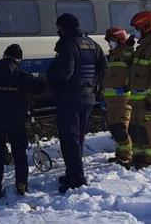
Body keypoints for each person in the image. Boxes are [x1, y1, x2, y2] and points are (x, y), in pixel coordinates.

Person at [0, 44, 44, 198]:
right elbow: (39, 88)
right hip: (16, 122)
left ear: (4, 56)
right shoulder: (22, 75)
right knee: (19, 155)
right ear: (19, 59)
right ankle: (21, 185)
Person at [48, 13, 107, 193]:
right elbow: (104, 68)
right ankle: (73, 173)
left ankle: (76, 180)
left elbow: (64, 72)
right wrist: (97, 88)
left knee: (70, 140)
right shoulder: (93, 44)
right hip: (88, 97)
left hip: (70, 98)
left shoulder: (68, 45)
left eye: (59, 28)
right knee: (78, 139)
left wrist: (51, 81)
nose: (58, 31)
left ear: (65, 27)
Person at [127, 11, 151, 169]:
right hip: (138, 99)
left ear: (146, 27)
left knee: (148, 129)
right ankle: (139, 157)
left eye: (136, 28)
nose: (134, 32)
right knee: (136, 129)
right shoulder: (143, 47)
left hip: (147, 99)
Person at [102, 27, 135, 168]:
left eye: (112, 41)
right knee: (114, 128)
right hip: (111, 100)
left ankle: (127, 156)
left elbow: (134, 71)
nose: (110, 44)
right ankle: (120, 155)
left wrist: (128, 87)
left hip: (122, 98)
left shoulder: (125, 53)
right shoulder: (113, 55)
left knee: (121, 129)